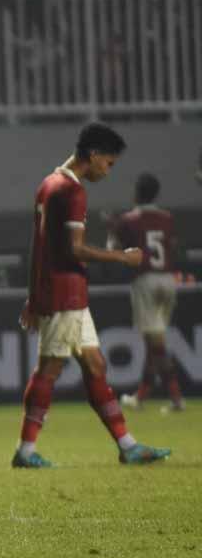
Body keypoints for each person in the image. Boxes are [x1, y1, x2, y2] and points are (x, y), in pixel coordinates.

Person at [13, 123, 171, 468]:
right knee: (49, 369)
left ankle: (128, 445)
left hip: (65, 292)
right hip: (64, 292)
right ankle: (25, 451)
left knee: (95, 365)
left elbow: (39, 246)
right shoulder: (72, 191)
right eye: (109, 164)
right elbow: (74, 249)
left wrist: (32, 294)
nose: (108, 171)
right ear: (94, 155)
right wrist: (123, 257)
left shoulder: (48, 184)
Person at [111, 173, 186, 413]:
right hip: (168, 278)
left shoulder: (128, 220)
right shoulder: (168, 218)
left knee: (156, 343)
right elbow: (174, 248)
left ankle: (176, 398)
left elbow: (114, 251)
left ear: (137, 192)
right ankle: (142, 395)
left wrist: (112, 229)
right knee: (154, 340)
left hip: (146, 280)